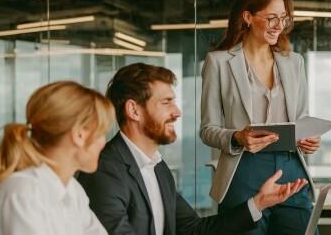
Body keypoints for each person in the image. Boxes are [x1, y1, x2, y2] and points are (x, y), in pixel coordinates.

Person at [77, 63, 308, 235]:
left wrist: (259, 203)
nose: (177, 111)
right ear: (134, 110)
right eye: (166, 102)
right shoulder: (104, 171)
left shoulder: (157, 168)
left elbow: (194, 229)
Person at [200, 0, 321, 235]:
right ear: (247, 17)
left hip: (291, 169)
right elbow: (208, 129)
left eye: (284, 19)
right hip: (243, 169)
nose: (280, 26)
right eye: (272, 18)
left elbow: (300, 120)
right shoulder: (219, 62)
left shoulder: (294, 62)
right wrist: (237, 137)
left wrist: (307, 139)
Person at [0, 81, 115, 235]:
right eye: (101, 133)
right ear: (79, 135)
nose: (103, 142)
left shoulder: (73, 190)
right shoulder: (24, 194)